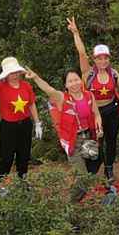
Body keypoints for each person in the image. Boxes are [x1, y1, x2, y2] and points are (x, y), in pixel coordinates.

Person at [20, 65, 102, 200]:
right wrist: (35, 77)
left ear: (81, 80)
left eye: (76, 79)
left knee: (95, 165)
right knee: (83, 178)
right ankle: (70, 204)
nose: (74, 83)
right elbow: (48, 89)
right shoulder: (62, 98)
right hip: (73, 140)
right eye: (70, 81)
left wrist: (99, 125)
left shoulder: (89, 95)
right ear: (65, 85)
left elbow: (96, 114)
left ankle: (79, 195)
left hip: (88, 137)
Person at [69, 17, 119, 194]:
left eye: (105, 58)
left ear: (109, 59)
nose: (102, 61)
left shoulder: (113, 73)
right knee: (96, 141)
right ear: (94, 59)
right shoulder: (88, 73)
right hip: (93, 113)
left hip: (111, 111)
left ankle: (109, 168)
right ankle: (91, 170)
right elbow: (81, 53)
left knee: (111, 141)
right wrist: (75, 33)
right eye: (99, 58)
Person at [0, 56, 37, 181]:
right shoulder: (1, 86)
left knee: (24, 154)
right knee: (7, 155)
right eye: (11, 73)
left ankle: (22, 180)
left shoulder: (26, 86)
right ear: (6, 75)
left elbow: (31, 104)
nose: (14, 75)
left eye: (16, 72)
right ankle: (2, 181)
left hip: (25, 124)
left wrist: (38, 122)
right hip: (8, 126)